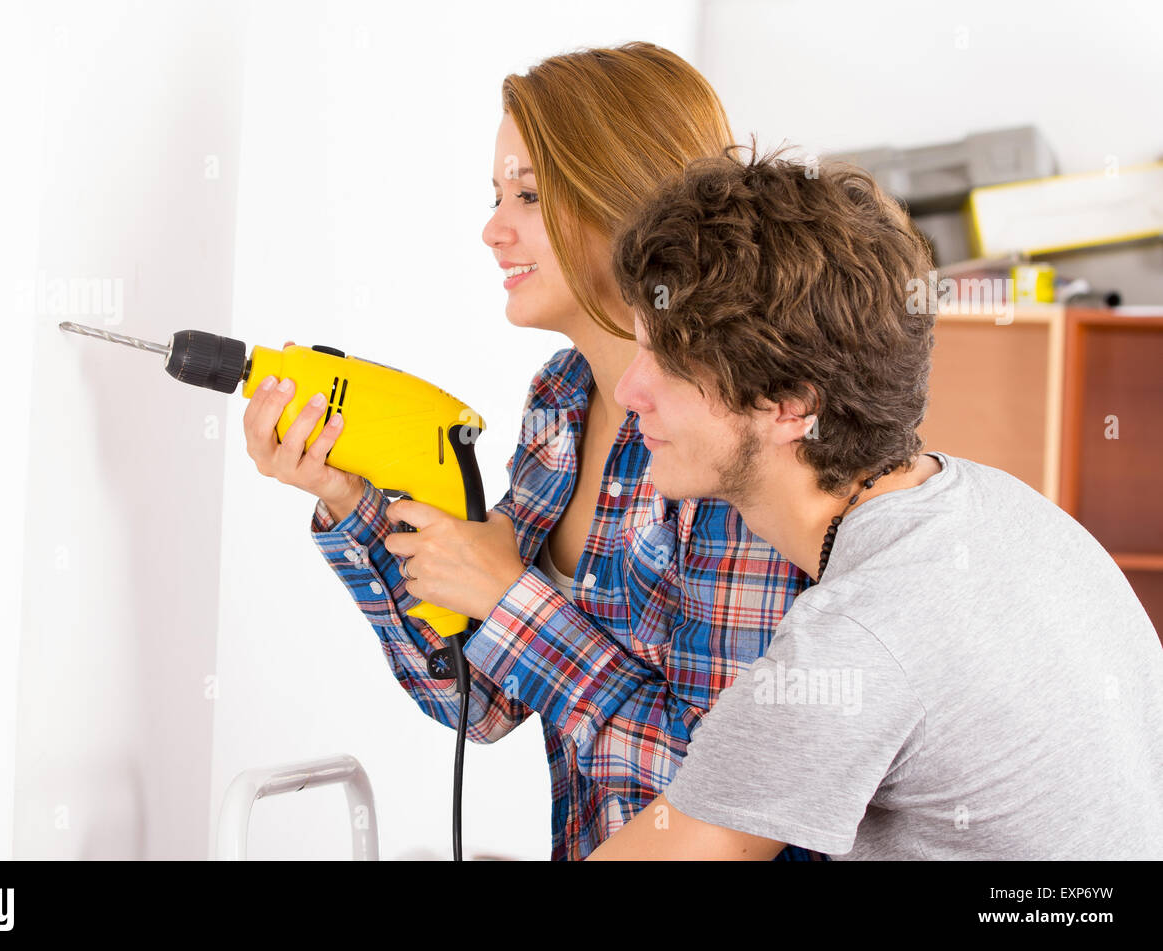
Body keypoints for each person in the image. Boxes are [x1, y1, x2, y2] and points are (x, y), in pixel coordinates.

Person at [242, 43, 819, 861]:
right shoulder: (561, 400)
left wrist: (513, 598)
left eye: (529, 195)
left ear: (637, 202)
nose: (492, 227)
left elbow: (729, 805)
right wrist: (344, 496)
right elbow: (481, 700)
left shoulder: (734, 429)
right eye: (496, 194)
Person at [588, 146, 1163, 860]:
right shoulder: (1007, 510)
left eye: (669, 365)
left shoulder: (859, 637)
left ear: (791, 405)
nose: (628, 391)